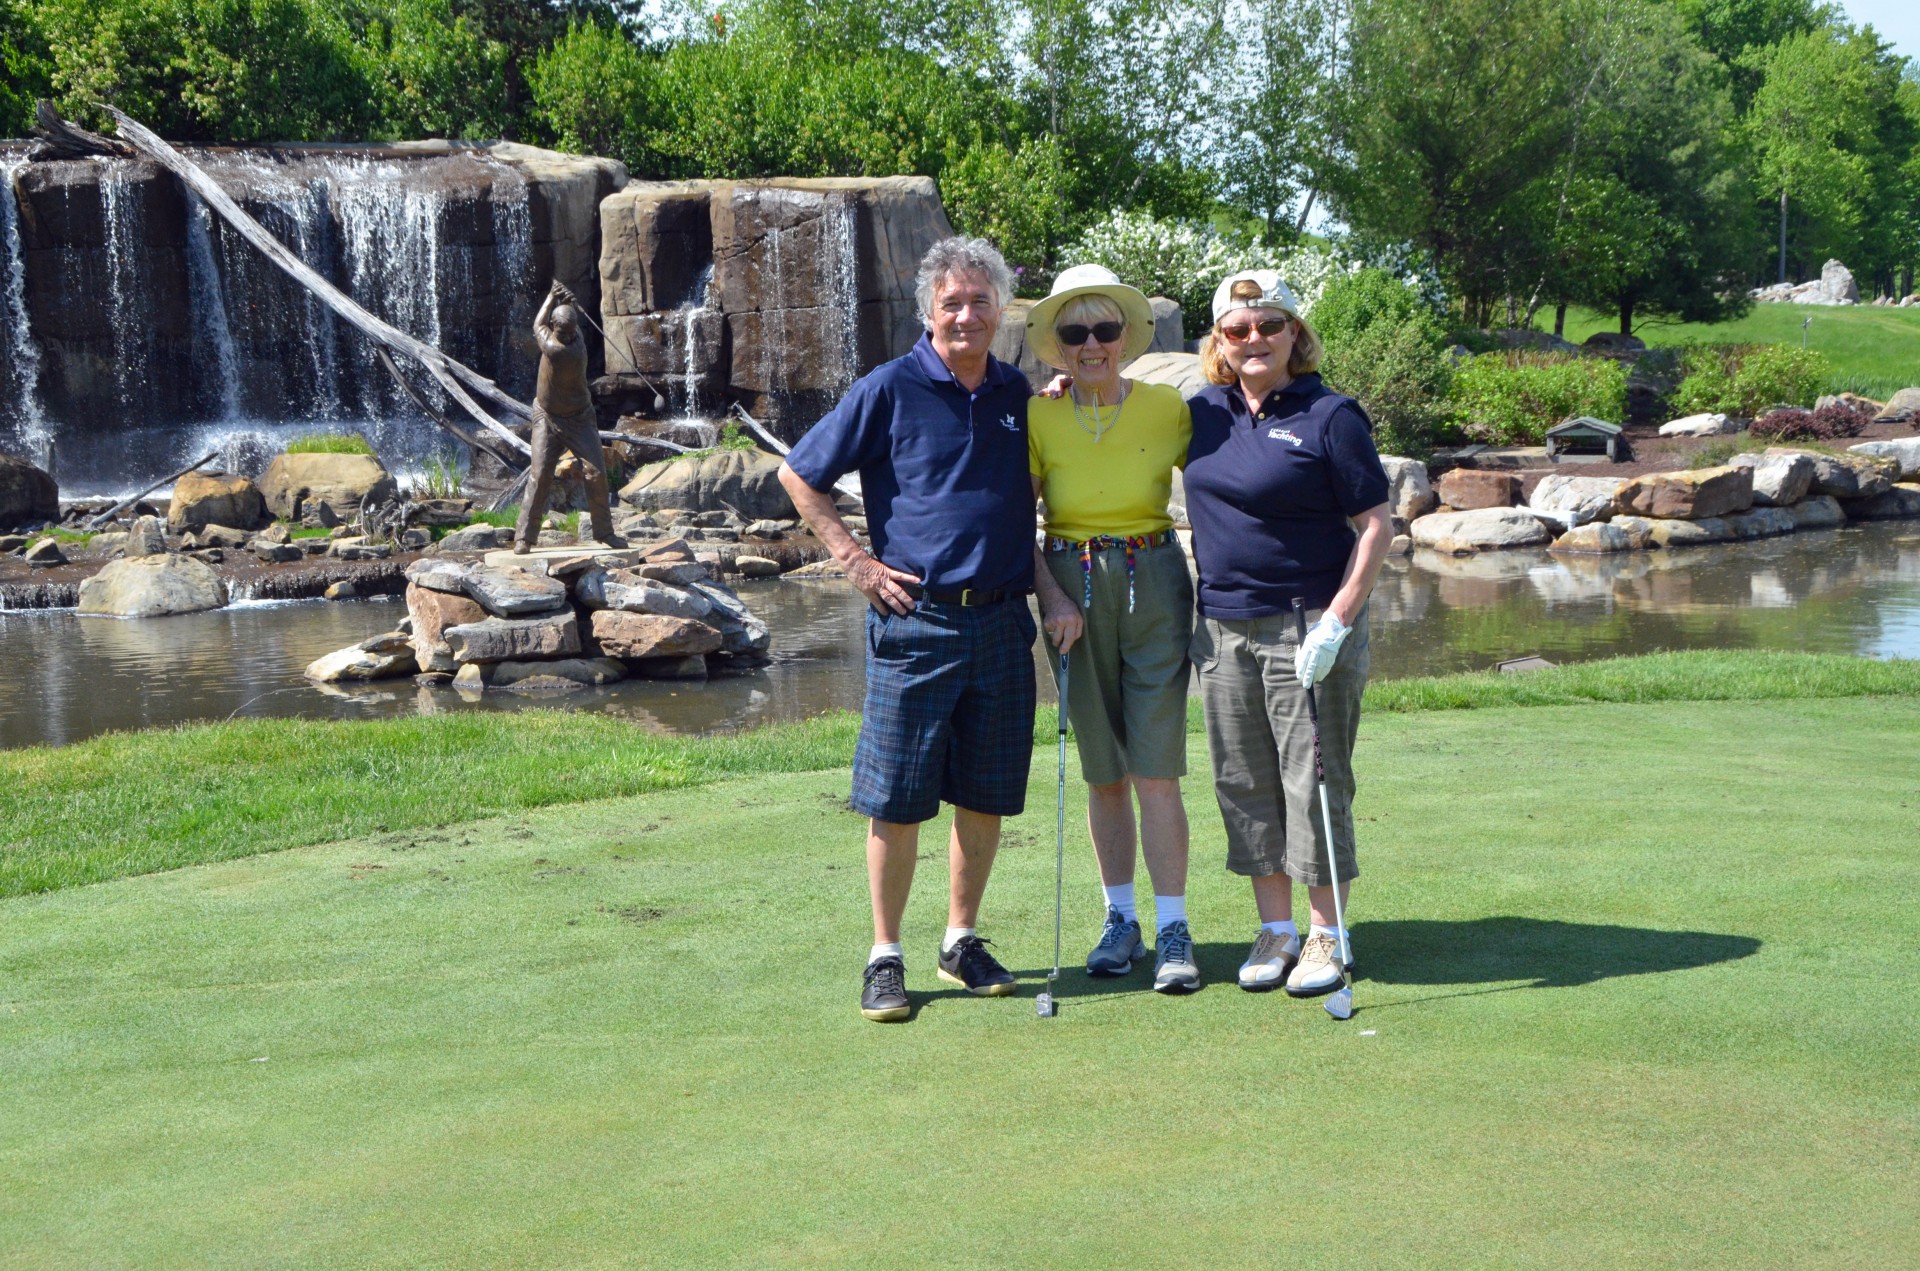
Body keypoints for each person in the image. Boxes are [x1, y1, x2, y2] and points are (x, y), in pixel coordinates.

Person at [777, 237, 1038, 1023]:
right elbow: (799, 471)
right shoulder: (889, 387)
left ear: (999, 310)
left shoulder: (1016, 392)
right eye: (951, 303)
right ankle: (884, 953)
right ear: (929, 311)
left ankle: (960, 941)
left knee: (984, 794)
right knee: (896, 798)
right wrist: (854, 560)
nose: (965, 314)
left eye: (978, 301)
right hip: (914, 618)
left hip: (1001, 621)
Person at [1182, 271, 1393, 997]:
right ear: (1219, 341)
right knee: (1241, 780)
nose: (1254, 340)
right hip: (1220, 628)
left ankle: (1326, 930)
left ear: (1295, 333)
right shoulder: (1199, 414)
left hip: (1307, 624)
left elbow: (1374, 526)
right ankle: (1275, 928)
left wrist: (1339, 619)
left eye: (1269, 326)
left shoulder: (1331, 415)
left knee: (1312, 780)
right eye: (1237, 330)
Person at [1024, 265, 1200, 992]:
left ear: (1125, 335)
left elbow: (1235, 481)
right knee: (1104, 770)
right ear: (1057, 345)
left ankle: (1175, 927)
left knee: (1156, 767)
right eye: (1075, 332)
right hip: (1071, 586)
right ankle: (1119, 919)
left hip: (1154, 576)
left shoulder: (1169, 407)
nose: (1091, 344)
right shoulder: (1039, 414)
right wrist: (1051, 597)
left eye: (1104, 329)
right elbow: (1014, 519)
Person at [514, 280, 617, 553]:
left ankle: (604, 532)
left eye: (573, 331)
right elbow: (546, 321)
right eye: (566, 332)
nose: (571, 335)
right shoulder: (565, 341)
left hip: (579, 418)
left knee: (596, 473)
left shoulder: (560, 346)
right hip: (547, 417)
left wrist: (552, 297)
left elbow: (539, 322)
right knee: (539, 475)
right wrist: (563, 298)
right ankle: (524, 537)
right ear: (557, 329)